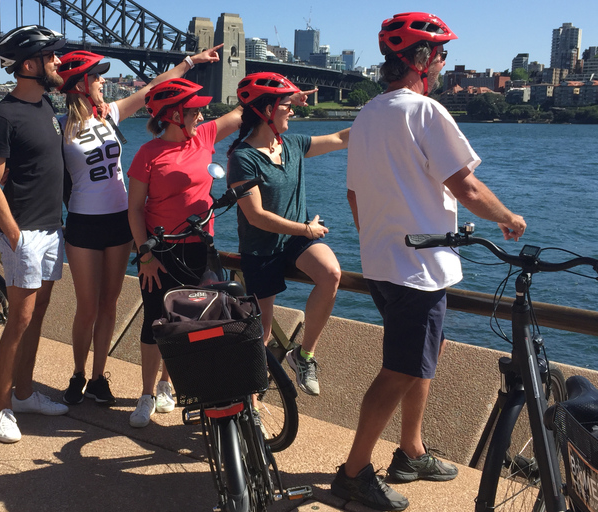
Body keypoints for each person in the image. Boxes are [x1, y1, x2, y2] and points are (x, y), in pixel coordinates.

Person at [332, 13, 527, 511]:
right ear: (422, 61)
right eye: (441, 56)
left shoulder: (368, 115)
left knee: (422, 356)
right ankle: (353, 473)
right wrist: (507, 217)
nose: (442, 65)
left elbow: (354, 196)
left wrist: (380, 238)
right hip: (417, 269)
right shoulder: (426, 111)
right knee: (399, 368)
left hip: (385, 263)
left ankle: (411, 451)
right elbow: (465, 186)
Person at [55, 45, 225, 407]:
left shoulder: (110, 115)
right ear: (82, 84)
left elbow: (153, 91)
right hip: (83, 222)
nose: (102, 81)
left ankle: (99, 377)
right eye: (97, 77)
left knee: (109, 303)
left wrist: (189, 62)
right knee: (86, 306)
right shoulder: (60, 127)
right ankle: (78, 374)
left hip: (119, 221)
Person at [126, 77, 245, 428]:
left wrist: (287, 95)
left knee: (190, 320)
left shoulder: (205, 136)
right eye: (194, 110)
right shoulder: (148, 153)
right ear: (174, 115)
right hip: (159, 250)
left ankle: (167, 384)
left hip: (199, 248)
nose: (201, 114)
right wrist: (144, 256)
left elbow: (241, 112)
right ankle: (146, 394)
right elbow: (134, 209)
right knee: (154, 321)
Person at [226, 72, 349, 396]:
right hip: (262, 247)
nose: (292, 111)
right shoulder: (242, 158)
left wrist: (383, 112)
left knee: (331, 273)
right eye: (285, 106)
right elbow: (256, 216)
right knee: (262, 333)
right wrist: (306, 228)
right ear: (267, 110)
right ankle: (249, 403)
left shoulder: (292, 144)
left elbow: (340, 139)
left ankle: (303, 355)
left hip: (295, 240)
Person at [0, 25, 70, 443]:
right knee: (21, 319)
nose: (58, 62)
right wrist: (13, 235)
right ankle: (1, 408)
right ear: (29, 65)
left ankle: (25, 392)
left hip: (52, 229)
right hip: (26, 234)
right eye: (51, 57)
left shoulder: (47, 106)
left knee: (37, 316)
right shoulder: (2, 116)